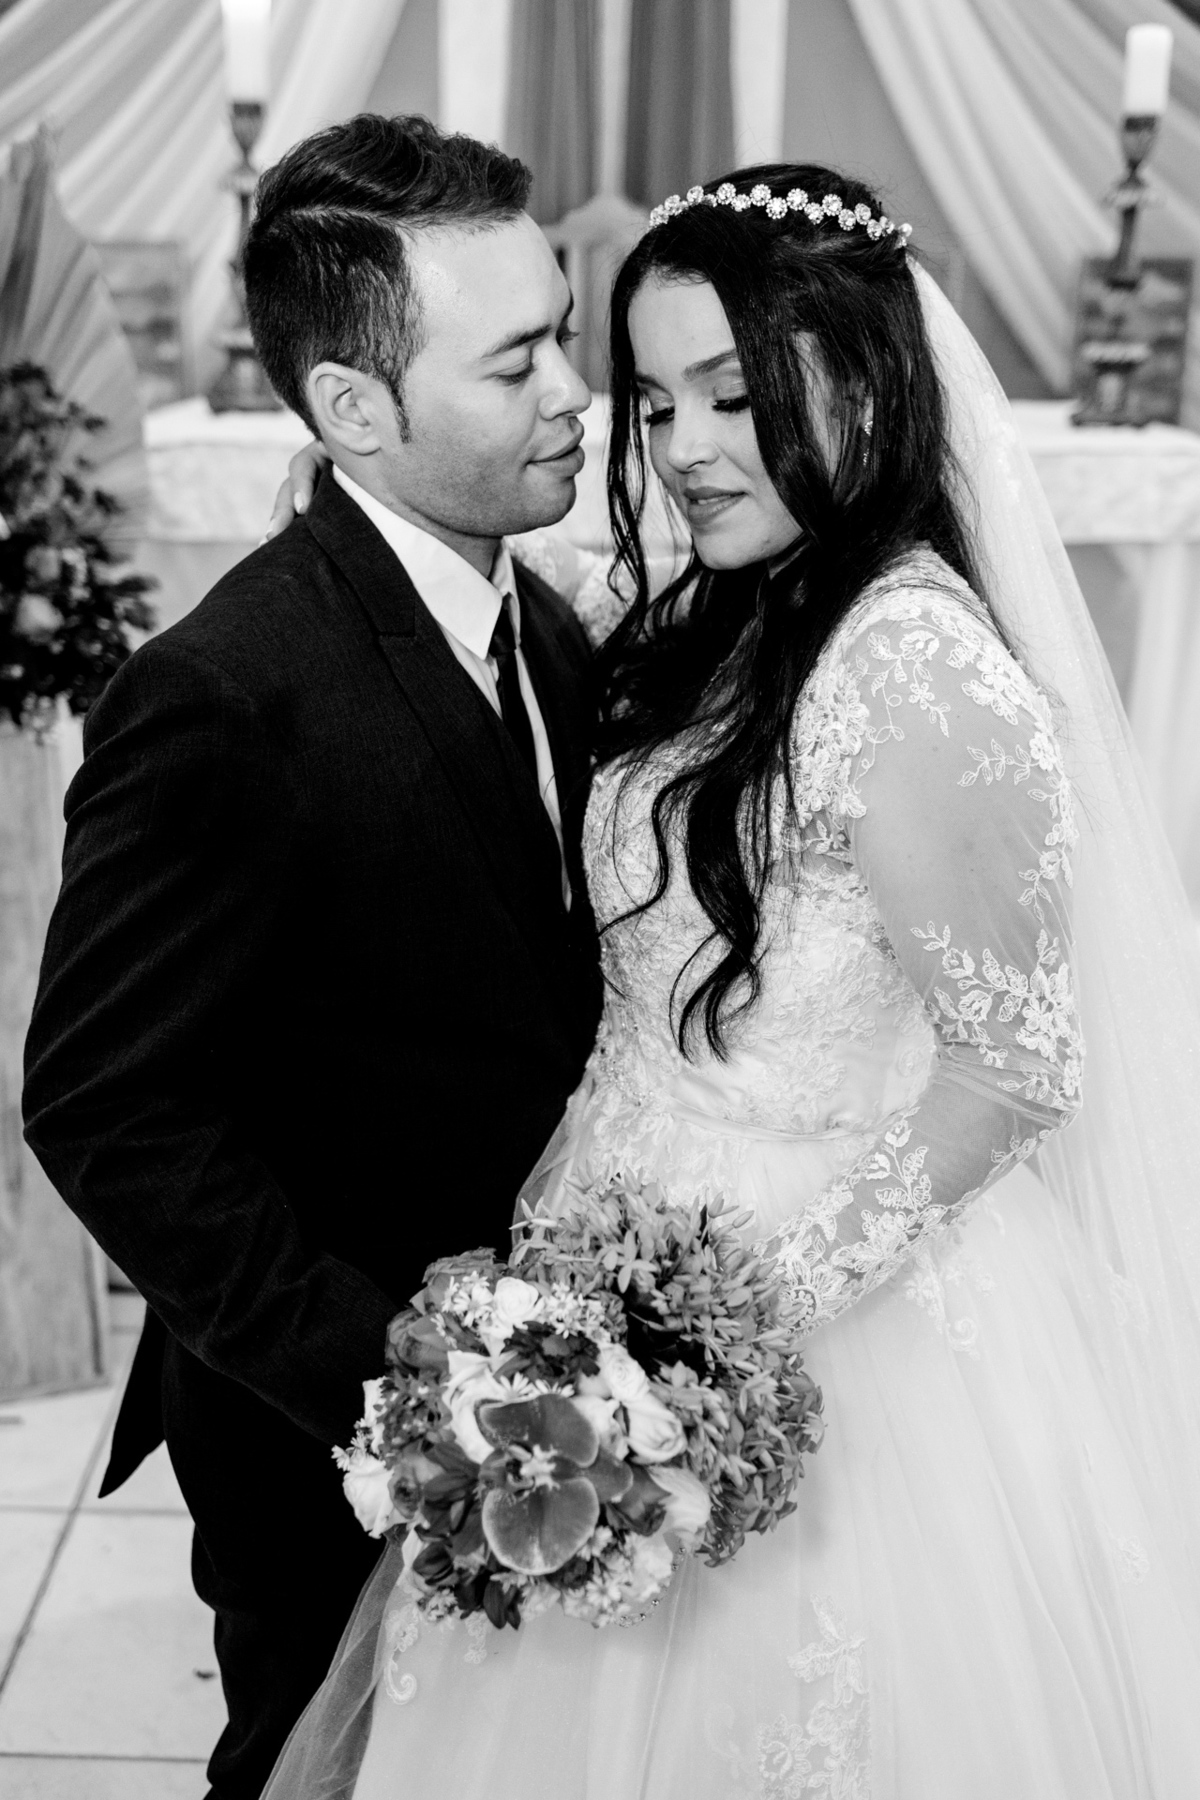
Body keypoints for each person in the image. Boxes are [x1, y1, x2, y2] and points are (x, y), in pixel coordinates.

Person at [263, 163, 1200, 1799]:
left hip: (833, 1325)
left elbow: (1012, 1069)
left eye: (738, 394)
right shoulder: (727, 608)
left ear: (866, 380)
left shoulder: (917, 666)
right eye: (659, 398)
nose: (684, 445)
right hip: (606, 1234)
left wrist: (724, 1330)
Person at [22, 114, 601, 1800]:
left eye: (563, 326)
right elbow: (104, 1104)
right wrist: (399, 1387)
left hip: (559, 1385)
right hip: (326, 1430)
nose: (574, 390)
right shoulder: (221, 695)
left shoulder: (536, 616)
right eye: (518, 363)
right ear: (357, 408)